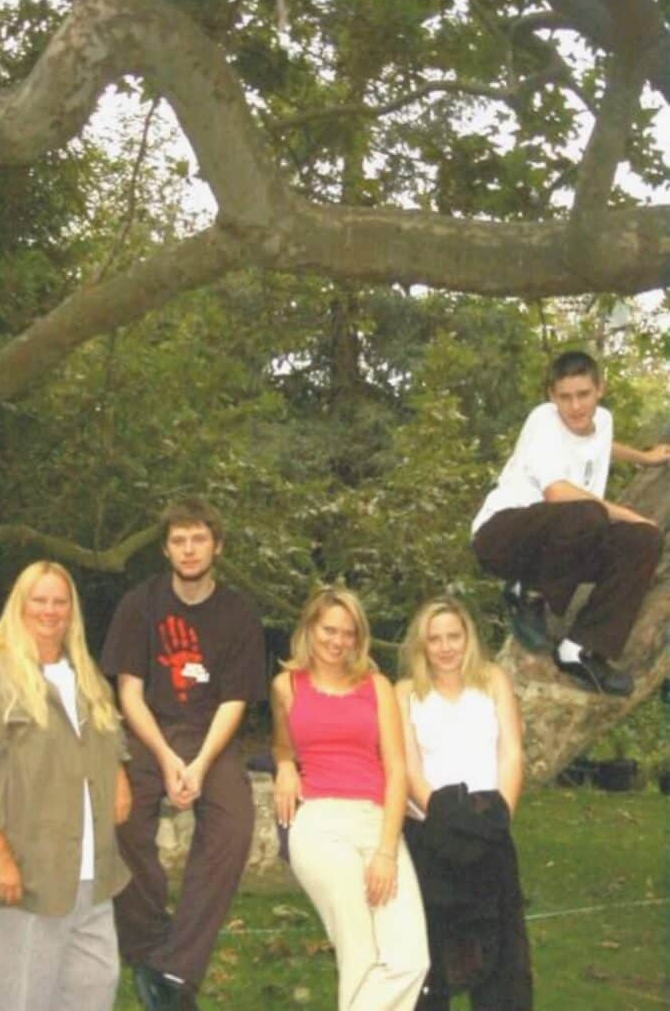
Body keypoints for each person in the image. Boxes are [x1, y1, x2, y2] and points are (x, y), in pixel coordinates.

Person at [100, 497, 267, 1011]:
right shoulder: (139, 604)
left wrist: (196, 764)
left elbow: (235, 700)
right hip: (148, 733)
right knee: (120, 822)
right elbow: (128, 693)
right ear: (166, 548)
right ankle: (151, 948)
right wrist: (168, 759)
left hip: (211, 737)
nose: (189, 549)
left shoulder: (238, 613)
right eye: (178, 540)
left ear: (216, 545)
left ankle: (177, 969)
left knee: (234, 828)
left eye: (198, 539)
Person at [0, 561, 130, 1011]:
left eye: (60, 601)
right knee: (15, 1001)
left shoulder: (85, 677)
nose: (50, 610)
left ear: (72, 611)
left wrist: (119, 770)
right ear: (19, 606)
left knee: (94, 988)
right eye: (39, 600)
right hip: (21, 876)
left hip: (88, 876)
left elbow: (109, 738)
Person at [471, 350, 668, 696]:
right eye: (565, 397)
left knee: (643, 541)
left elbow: (598, 443)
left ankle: (579, 649)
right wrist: (630, 514)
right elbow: (558, 492)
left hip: (568, 542)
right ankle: (528, 593)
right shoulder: (543, 420)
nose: (575, 406)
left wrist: (645, 457)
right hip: (502, 535)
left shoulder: (602, 421)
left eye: (584, 395)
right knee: (588, 513)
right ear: (551, 395)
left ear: (600, 389)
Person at [271, 586, 429, 1011]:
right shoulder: (286, 685)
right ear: (309, 628)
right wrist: (285, 766)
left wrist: (387, 850)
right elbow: (284, 746)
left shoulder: (376, 686)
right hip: (319, 823)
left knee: (409, 959)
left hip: (376, 820)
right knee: (358, 949)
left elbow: (396, 768)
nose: (337, 641)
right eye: (329, 630)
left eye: (348, 633)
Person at [396, 595, 532, 1011]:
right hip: (429, 832)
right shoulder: (403, 692)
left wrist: (498, 815)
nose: (445, 647)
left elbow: (511, 752)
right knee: (430, 957)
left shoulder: (493, 681)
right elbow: (407, 768)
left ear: (467, 638)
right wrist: (444, 820)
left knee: (502, 956)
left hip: (488, 827)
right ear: (421, 645)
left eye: (453, 636)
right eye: (435, 639)